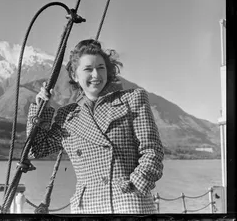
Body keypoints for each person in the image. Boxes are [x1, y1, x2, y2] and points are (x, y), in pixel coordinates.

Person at [26, 39, 164, 214]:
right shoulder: (67, 116)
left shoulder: (132, 99)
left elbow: (152, 150)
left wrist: (135, 185)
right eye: (88, 69)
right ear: (75, 76)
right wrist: (41, 109)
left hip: (130, 203)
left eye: (101, 67)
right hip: (88, 207)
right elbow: (34, 150)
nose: (96, 75)